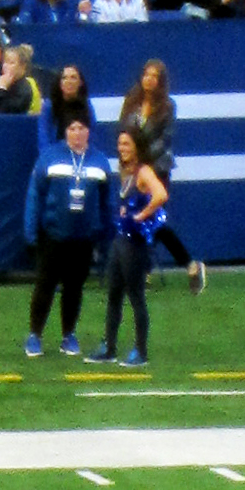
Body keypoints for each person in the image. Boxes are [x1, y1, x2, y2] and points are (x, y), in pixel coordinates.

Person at [22, 116, 112, 359]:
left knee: (74, 287)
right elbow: (35, 196)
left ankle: (68, 335)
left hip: (84, 237)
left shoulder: (100, 161)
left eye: (81, 128)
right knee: (45, 285)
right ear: (65, 131)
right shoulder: (49, 157)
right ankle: (34, 335)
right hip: (53, 234)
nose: (77, 133)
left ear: (89, 131)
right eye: (71, 128)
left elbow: (107, 203)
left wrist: (106, 234)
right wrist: (30, 232)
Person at [118, 59, 205, 292]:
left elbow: (164, 140)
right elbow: (124, 131)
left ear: (161, 81)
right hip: (132, 168)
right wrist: (130, 159)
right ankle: (189, 266)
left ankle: (145, 270)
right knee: (149, 222)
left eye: (154, 76)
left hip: (157, 168)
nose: (149, 79)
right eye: (146, 74)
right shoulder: (131, 101)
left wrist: (143, 161)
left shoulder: (167, 106)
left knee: (152, 217)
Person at [86, 125, 167, 366]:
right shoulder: (125, 171)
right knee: (113, 294)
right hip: (120, 241)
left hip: (135, 244)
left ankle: (140, 352)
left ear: (137, 147)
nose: (122, 149)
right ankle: (109, 348)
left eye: (127, 144)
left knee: (136, 297)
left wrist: (142, 216)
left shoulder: (143, 172)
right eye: (120, 144)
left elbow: (161, 195)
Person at [39, 61, 90, 147]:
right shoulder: (48, 107)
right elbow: (43, 137)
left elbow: (92, 135)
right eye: (64, 78)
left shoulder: (87, 105)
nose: (68, 81)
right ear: (59, 83)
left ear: (80, 82)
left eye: (73, 78)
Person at [0, 42, 39, 113]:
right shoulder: (5, 84)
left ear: (23, 66)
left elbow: (4, 114)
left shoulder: (25, 88)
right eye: (4, 62)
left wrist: (2, 89)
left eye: (11, 63)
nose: (5, 66)